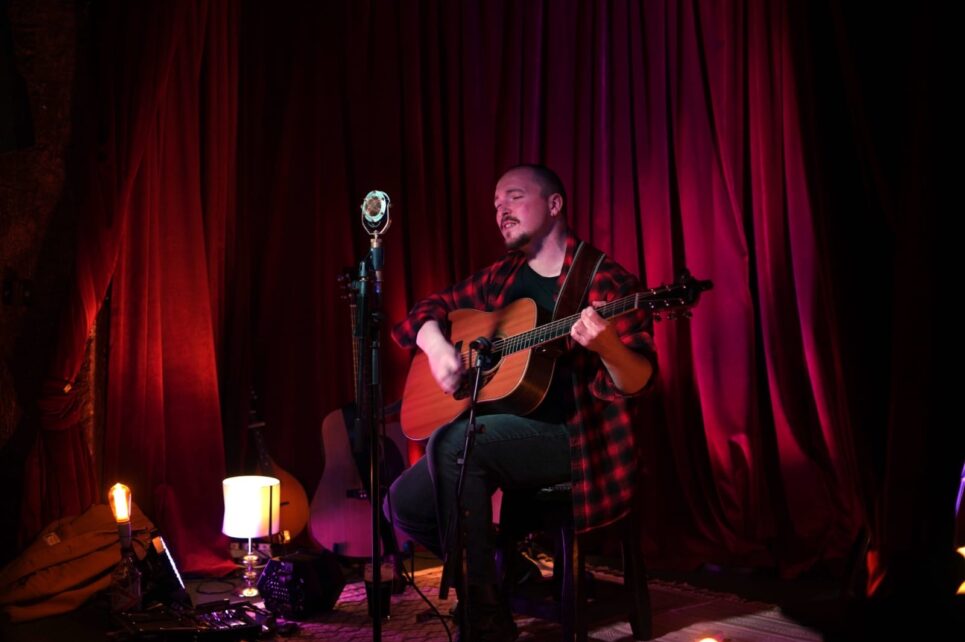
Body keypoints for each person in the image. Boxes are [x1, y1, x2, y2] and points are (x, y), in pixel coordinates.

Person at [385, 164, 656, 641]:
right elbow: (420, 314)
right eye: (496, 205)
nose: (501, 212)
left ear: (555, 205)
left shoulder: (606, 281)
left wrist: (609, 346)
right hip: (496, 434)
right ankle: (508, 570)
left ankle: (485, 619)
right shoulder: (501, 278)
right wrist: (438, 347)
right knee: (403, 504)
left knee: (452, 445)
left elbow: (639, 380)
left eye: (513, 198)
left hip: (575, 440)